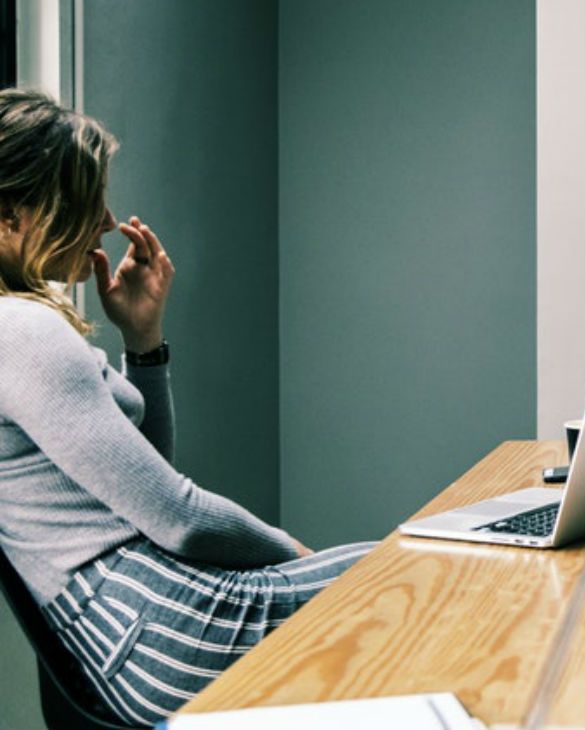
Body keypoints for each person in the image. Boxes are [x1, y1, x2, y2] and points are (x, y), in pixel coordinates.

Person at [0, 89, 375, 725]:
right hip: (159, 628)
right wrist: (300, 555)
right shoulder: (22, 331)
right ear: (10, 215)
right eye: (84, 200)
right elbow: (177, 515)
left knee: (410, 581)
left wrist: (142, 342)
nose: (103, 220)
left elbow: (141, 486)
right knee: (417, 575)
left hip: (137, 633)